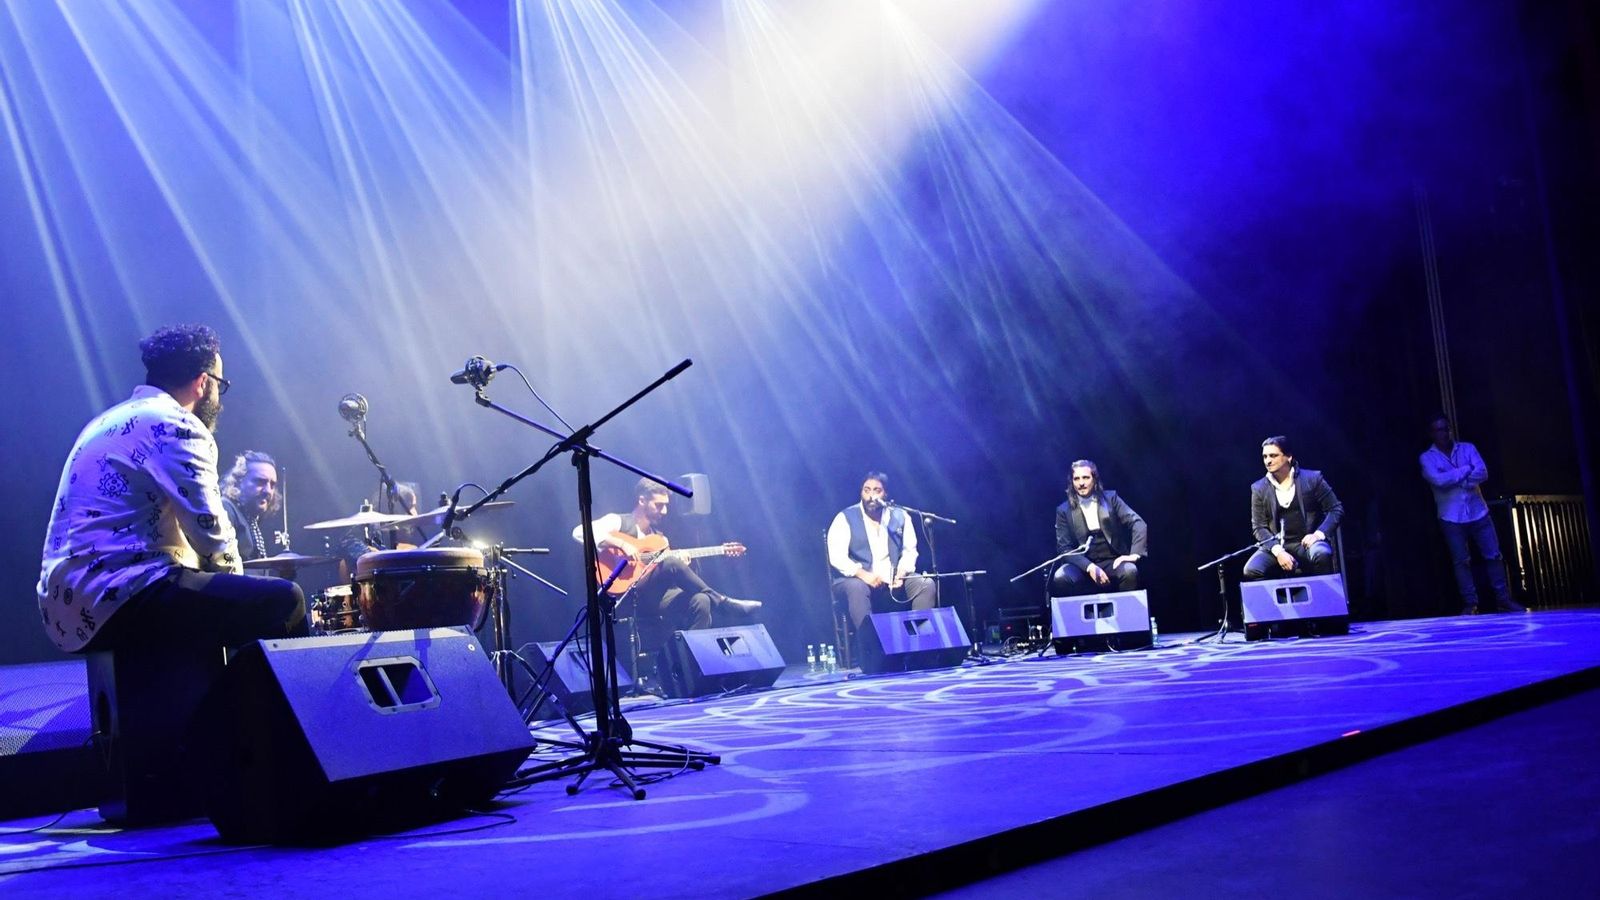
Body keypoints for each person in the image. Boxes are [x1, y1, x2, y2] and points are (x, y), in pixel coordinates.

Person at [37, 325, 307, 653]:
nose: (219, 398)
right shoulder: (177, 425)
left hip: (63, 609)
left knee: (213, 597)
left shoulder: (106, 422)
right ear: (203, 382)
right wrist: (237, 582)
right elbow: (212, 537)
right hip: (120, 595)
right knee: (285, 601)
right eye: (221, 385)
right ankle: (242, 704)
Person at [571, 478, 760, 651]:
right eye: (659, 505)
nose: (664, 511)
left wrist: (683, 563)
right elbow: (579, 532)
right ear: (642, 500)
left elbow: (666, 572)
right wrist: (621, 543)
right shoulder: (618, 521)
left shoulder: (659, 538)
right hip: (625, 596)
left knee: (701, 601)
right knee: (671, 561)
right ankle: (723, 603)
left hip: (654, 596)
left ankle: (691, 662)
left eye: (666, 506)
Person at [1420, 415, 1524, 614]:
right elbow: (1438, 481)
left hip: (1478, 511)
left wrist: (1458, 479)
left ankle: (1503, 598)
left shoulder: (1467, 448)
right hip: (1451, 516)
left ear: (1450, 429)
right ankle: (1470, 603)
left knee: (1494, 555)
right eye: (1438, 430)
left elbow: (1483, 473)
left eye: (1445, 429)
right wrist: (1466, 470)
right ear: (1432, 433)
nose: (1443, 433)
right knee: (1461, 561)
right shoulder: (1427, 457)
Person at [827, 471, 938, 636]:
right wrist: (863, 575)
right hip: (856, 580)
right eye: (867, 490)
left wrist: (901, 574)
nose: (871, 496)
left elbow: (910, 551)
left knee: (926, 584)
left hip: (892, 580)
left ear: (885, 494)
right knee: (857, 587)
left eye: (876, 490)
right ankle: (873, 646)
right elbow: (837, 557)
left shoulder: (901, 516)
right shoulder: (845, 517)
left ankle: (919, 643)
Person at [1243, 436, 1344, 580]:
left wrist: (1318, 535)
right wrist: (1278, 551)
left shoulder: (1312, 479)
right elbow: (1259, 527)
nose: (1268, 460)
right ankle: (1279, 602)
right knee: (1252, 569)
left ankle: (1321, 600)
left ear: (1288, 457)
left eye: (1273, 455)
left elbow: (1336, 509)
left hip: (1306, 544)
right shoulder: (1259, 488)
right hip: (1277, 546)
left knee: (1321, 553)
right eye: (1265, 456)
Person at [1051, 460, 1148, 595]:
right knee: (1061, 576)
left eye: (1086, 477)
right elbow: (1064, 549)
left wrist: (1134, 555)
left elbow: (1138, 523)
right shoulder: (1063, 510)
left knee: (1129, 571)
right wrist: (1089, 567)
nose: (1081, 483)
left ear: (1094, 479)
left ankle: (1126, 614)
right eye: (1076, 479)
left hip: (1112, 561)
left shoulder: (1111, 499)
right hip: (1082, 565)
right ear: (1072, 482)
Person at [221, 450, 282, 561]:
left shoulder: (249, 517)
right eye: (260, 482)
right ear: (239, 481)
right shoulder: (226, 509)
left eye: (272, 485)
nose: (268, 491)